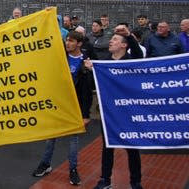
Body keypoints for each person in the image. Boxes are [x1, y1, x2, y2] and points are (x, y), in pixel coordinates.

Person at [32, 31, 93, 186]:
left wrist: (86, 114)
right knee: (50, 138)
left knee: (73, 141)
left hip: (75, 107)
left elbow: (87, 91)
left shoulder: (86, 61)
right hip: (58, 104)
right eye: (66, 40)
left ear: (79, 43)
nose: (67, 43)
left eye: (71, 41)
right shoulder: (61, 57)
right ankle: (45, 164)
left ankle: (73, 169)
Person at [84, 34, 143, 189]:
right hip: (109, 112)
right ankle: (105, 179)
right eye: (111, 39)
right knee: (107, 146)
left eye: (115, 40)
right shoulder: (104, 63)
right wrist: (92, 69)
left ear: (124, 45)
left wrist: (129, 36)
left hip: (128, 112)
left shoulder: (131, 61)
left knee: (132, 148)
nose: (111, 41)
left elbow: (139, 54)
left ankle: (135, 182)